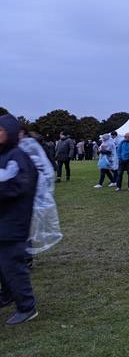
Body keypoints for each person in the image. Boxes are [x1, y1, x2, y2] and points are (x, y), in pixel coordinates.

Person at [0, 114, 39, 325]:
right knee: (3, 265)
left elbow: (15, 185)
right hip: (3, 222)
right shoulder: (4, 155)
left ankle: (27, 306)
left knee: (13, 266)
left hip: (13, 223)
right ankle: (7, 295)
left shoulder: (18, 156)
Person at [18, 128, 62, 257]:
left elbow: (42, 170)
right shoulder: (12, 147)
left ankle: (25, 257)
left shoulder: (31, 147)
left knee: (24, 227)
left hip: (27, 194)